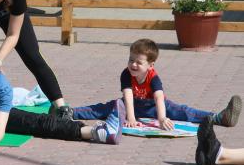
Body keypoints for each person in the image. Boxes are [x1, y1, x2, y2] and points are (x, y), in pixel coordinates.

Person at [58, 39, 242, 131]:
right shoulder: (126, 73)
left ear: (150, 65)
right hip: (132, 106)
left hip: (154, 107)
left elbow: (159, 97)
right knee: (103, 108)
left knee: (184, 112)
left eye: (138, 62)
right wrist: (130, 117)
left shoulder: (153, 77)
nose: (133, 65)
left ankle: (219, 117)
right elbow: (128, 96)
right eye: (131, 60)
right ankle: (69, 112)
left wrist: (162, 119)